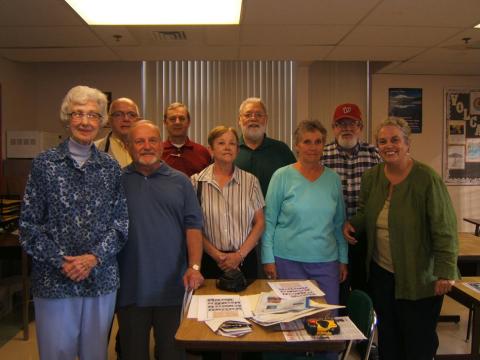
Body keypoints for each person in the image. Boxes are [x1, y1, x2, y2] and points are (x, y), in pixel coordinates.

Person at [19, 85, 129, 360]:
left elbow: (120, 224)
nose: (85, 121)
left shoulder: (111, 167)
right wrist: (63, 261)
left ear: (102, 121)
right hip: (55, 280)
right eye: (78, 114)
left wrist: (92, 258)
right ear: (67, 118)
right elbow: (29, 226)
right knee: (57, 353)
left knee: (95, 354)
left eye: (93, 115)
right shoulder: (45, 164)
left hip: (100, 279)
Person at [343, 117, 459, 360]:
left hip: (419, 278)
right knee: (389, 338)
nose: (389, 145)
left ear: (407, 144)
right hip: (382, 274)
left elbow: (444, 227)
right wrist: (352, 224)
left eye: (395, 139)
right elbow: (366, 211)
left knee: (418, 341)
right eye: (382, 141)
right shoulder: (372, 177)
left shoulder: (426, 178)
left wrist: (446, 271)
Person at [117, 120, 204, 360]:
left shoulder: (181, 182)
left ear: (161, 144)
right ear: (128, 147)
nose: (147, 146)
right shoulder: (117, 182)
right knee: (133, 353)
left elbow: (194, 227)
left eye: (152, 140)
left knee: (172, 354)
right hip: (130, 287)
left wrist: (194, 267)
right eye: (139, 141)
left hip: (173, 288)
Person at [262, 120, 348, 308]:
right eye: (307, 142)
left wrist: (343, 259)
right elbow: (268, 221)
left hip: (326, 262)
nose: (313, 147)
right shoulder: (281, 176)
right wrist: (267, 258)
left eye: (318, 142)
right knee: (292, 321)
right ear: (297, 145)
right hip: (287, 261)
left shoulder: (333, 179)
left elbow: (339, 223)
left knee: (325, 321)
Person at [322, 103, 381, 298]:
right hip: (330, 235)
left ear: (361, 127)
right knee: (335, 290)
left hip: (365, 236)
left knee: (363, 289)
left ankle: (361, 327)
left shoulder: (375, 155)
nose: (347, 128)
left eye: (352, 123)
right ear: (333, 128)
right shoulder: (322, 155)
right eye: (341, 124)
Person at [191, 126, 265, 279]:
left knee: (248, 302)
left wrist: (239, 255)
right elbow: (193, 227)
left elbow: (260, 223)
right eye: (221, 143)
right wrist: (217, 255)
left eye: (232, 143)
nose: (227, 147)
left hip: (244, 260)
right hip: (210, 261)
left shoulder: (251, 182)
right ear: (210, 149)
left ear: (237, 150)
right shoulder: (196, 182)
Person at [235, 97, 296, 197]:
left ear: (266, 119)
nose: (253, 118)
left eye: (259, 115)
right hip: (236, 212)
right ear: (239, 120)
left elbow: (295, 183)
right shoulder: (230, 151)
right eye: (248, 115)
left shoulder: (281, 150)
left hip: (275, 212)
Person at [162, 102, 211, 176]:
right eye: (172, 119)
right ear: (165, 123)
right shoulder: (157, 152)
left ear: (188, 122)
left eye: (182, 118)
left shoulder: (203, 152)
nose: (177, 122)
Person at [95, 97, 140, 168]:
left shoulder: (149, 148)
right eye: (119, 114)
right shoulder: (94, 149)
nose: (126, 119)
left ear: (138, 120)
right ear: (109, 120)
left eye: (131, 115)